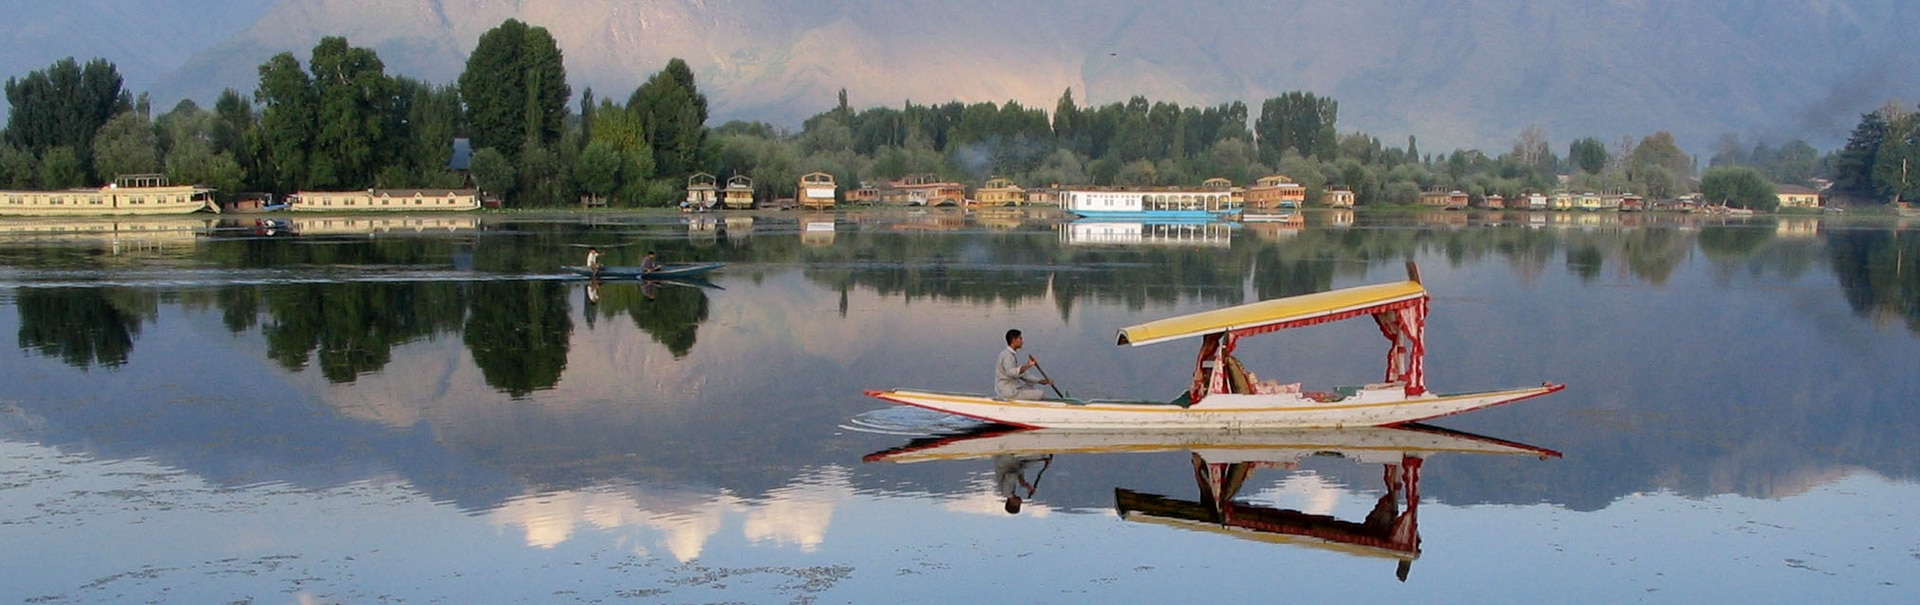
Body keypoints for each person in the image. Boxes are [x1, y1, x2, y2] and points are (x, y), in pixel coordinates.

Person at [995, 329, 1051, 400]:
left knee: (1030, 384)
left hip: (1012, 389)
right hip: (1009, 392)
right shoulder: (1007, 355)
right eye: (1020, 339)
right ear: (1013, 340)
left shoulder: (1010, 354)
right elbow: (1011, 372)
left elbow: (1023, 375)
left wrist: (1042, 381)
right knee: (1041, 394)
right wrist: (1028, 365)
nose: (1022, 341)